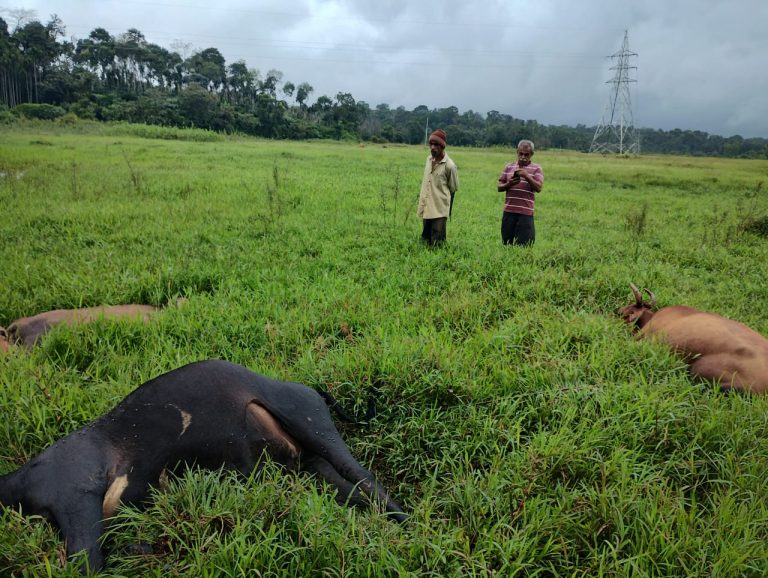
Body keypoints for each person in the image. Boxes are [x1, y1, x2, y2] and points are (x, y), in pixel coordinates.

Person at [497, 139, 544, 246]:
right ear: (517, 152)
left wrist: (527, 176)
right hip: (509, 212)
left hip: (525, 214)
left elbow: (539, 188)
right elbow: (499, 187)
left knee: (524, 245)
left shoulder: (537, 169)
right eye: (521, 153)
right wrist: (509, 184)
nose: (523, 156)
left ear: (532, 154)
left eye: (526, 154)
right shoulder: (509, 166)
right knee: (506, 244)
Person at [417, 129, 459, 246]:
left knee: (437, 244)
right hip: (427, 207)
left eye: (436, 145)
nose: (432, 147)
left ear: (442, 146)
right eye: (431, 144)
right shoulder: (428, 160)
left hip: (440, 210)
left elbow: (453, 189)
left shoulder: (450, 166)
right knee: (425, 240)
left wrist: (448, 210)